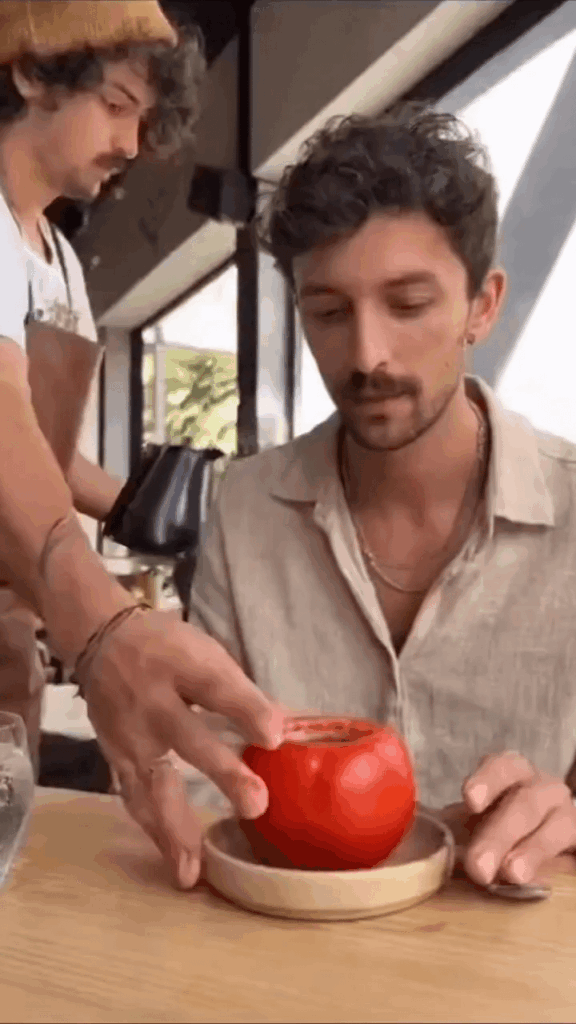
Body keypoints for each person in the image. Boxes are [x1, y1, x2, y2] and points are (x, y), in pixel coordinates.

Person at [189, 102, 576, 890]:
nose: (366, 355)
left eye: (407, 305)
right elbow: (205, 783)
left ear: (484, 306)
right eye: (328, 312)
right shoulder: (248, 507)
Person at [0, 1, 284, 890]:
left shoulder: (61, 263)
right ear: (33, 70)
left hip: (16, 606)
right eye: (119, 104)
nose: (132, 141)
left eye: (143, 120)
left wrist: (138, 509)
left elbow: (38, 449)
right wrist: (108, 627)